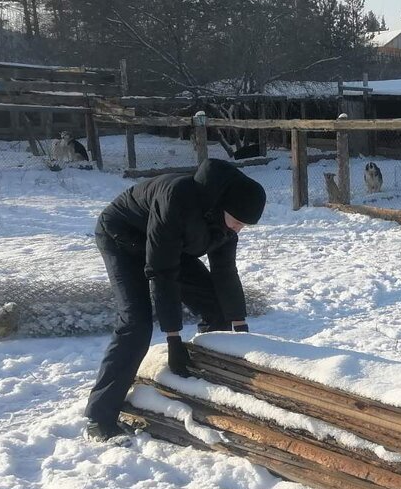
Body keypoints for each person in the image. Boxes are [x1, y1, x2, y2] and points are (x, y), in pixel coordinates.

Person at [83, 158, 266, 441]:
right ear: (222, 206)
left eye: (243, 225)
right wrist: (173, 339)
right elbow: (162, 272)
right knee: (136, 323)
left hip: (169, 244)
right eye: (238, 221)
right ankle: (100, 418)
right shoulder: (179, 198)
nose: (238, 229)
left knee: (215, 308)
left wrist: (240, 326)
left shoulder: (224, 223)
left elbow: (224, 273)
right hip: (121, 236)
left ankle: (202, 381)